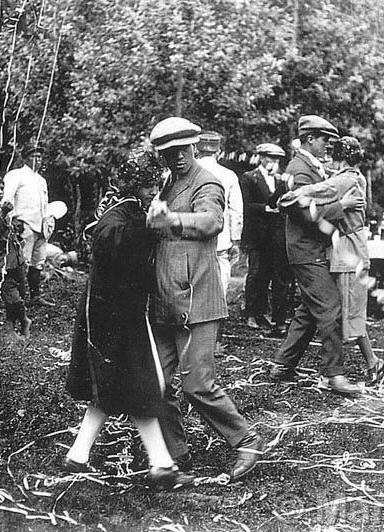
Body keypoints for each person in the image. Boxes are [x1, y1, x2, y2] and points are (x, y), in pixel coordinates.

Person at [64, 150, 194, 490]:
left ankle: (77, 455)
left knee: (112, 388)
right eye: (151, 184)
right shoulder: (119, 216)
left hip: (115, 313)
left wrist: (148, 224)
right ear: (139, 185)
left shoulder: (127, 212)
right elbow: (114, 243)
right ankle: (162, 465)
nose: (156, 189)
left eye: (157, 183)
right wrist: (150, 227)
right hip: (115, 317)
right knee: (144, 386)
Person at [147, 116, 264, 481]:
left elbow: (212, 221)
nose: (177, 157)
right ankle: (175, 454)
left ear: (194, 147)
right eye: (169, 153)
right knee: (158, 384)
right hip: (166, 300)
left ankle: (246, 440)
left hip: (198, 300)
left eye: (183, 150)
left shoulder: (207, 181)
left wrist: (173, 221)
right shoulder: (168, 183)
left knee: (197, 382)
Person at [269, 115, 360, 396]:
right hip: (305, 250)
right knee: (330, 307)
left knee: (309, 311)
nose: (329, 147)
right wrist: (342, 205)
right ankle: (334, 375)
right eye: (325, 141)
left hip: (314, 248)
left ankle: (283, 365)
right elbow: (302, 211)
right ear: (309, 139)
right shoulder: (299, 169)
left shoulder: (313, 167)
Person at [305, 136, 384, 386]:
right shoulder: (356, 177)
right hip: (348, 247)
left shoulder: (344, 180)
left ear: (338, 157)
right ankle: (367, 362)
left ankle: (373, 362)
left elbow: (318, 192)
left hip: (349, 249)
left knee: (351, 309)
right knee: (345, 307)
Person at [240, 143, 292, 335]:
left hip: (276, 235)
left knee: (278, 276)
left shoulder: (280, 180)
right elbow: (245, 205)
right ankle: (252, 313)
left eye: (276, 159)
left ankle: (277, 318)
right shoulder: (249, 178)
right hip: (257, 234)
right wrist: (264, 209)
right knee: (256, 274)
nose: (273, 162)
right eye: (269, 158)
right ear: (261, 157)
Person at [2, 144, 56, 308]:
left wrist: (48, 222)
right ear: (25, 158)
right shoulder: (16, 175)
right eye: (34, 157)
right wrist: (11, 220)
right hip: (24, 224)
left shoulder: (41, 180)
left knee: (37, 261)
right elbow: (7, 199)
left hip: (41, 226)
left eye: (40, 157)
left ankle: (35, 296)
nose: (38, 160)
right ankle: (17, 298)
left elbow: (44, 205)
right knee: (20, 262)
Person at [0, 177, 31, 339]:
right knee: (11, 296)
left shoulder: (2, 206)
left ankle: (11, 325)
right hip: (0, 261)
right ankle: (24, 321)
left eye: (2, 188)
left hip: (15, 258)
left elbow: (12, 227)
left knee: (20, 292)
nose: (0, 192)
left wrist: (16, 223)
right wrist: (2, 214)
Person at [196, 131, 243, 297]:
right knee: (221, 279)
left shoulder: (186, 173)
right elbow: (236, 211)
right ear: (217, 150)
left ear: (196, 148)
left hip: (192, 237)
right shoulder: (228, 175)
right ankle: (218, 315)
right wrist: (236, 240)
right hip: (220, 239)